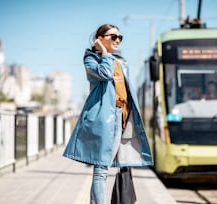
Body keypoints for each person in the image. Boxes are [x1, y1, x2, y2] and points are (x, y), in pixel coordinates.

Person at [63, 24, 153, 204]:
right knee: (101, 168)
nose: (118, 40)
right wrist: (104, 53)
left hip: (121, 118)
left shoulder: (119, 61)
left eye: (120, 37)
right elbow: (104, 74)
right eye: (113, 36)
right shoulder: (92, 60)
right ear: (100, 39)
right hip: (104, 118)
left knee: (110, 166)